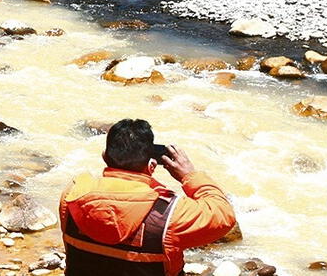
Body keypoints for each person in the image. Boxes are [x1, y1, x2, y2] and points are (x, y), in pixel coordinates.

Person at [59, 118, 236, 276]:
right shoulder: (170, 215)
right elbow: (224, 215)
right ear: (152, 166)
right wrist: (188, 175)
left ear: (105, 157)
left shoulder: (72, 194)